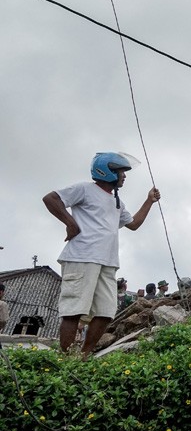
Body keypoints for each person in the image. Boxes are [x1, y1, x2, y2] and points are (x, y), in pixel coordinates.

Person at [43, 152, 161, 356]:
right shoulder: (84, 189)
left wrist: (149, 201)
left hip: (107, 262)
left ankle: (84, 355)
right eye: (121, 172)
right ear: (107, 172)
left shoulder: (116, 202)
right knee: (74, 311)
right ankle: (65, 360)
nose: (124, 176)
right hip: (82, 257)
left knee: (106, 312)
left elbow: (133, 224)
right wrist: (70, 223)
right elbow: (51, 199)